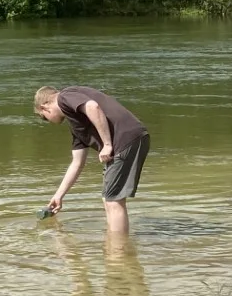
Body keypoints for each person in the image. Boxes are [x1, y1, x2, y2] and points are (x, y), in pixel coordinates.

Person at [35, 85, 150, 235]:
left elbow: (92, 106)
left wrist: (107, 144)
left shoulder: (63, 97)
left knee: (113, 201)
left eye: (44, 118)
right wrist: (58, 196)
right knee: (108, 199)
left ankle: (118, 251)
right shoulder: (77, 126)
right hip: (131, 139)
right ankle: (115, 244)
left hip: (124, 140)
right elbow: (77, 163)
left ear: (44, 107)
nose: (47, 121)